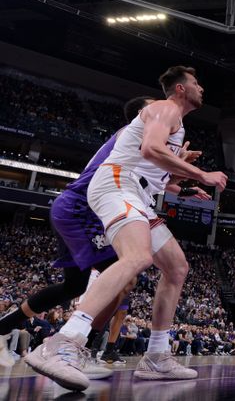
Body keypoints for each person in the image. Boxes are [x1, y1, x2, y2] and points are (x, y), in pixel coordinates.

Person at [26, 66, 228, 392]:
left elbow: (155, 168)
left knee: (176, 267)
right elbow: (150, 150)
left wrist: (181, 172)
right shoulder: (165, 108)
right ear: (179, 88)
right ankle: (61, 341)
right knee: (137, 257)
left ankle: (157, 356)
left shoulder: (174, 123)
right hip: (117, 183)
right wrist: (201, 174)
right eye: (195, 82)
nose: (201, 88)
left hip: (137, 192)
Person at [0, 96, 156, 369]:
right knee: (127, 274)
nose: (162, 111)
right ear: (143, 114)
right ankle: (72, 347)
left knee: (75, 286)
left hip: (78, 209)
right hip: (81, 210)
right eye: (155, 106)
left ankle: (4, 328)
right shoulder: (132, 132)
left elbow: (152, 173)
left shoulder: (135, 143)